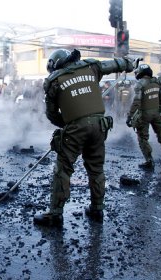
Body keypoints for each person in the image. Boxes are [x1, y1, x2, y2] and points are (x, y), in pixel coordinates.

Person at [33, 48, 134, 226]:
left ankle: (55, 214)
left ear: (55, 65)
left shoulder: (54, 81)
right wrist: (129, 63)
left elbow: (51, 114)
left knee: (63, 170)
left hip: (75, 129)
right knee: (96, 169)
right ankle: (97, 209)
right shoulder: (91, 67)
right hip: (99, 126)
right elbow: (115, 64)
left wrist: (67, 125)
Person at [126, 64, 161, 170]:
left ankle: (149, 161)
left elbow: (136, 102)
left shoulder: (139, 84)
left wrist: (130, 116)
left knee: (142, 138)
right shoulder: (156, 81)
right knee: (160, 131)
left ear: (141, 72)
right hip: (156, 113)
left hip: (144, 115)